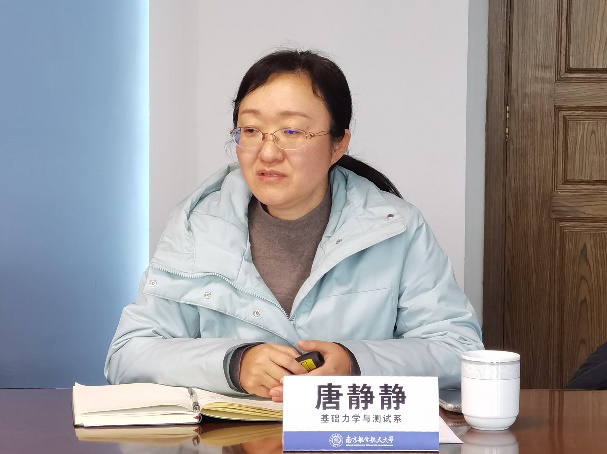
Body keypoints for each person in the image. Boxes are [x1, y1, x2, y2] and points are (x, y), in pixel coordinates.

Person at [105, 49, 483, 402]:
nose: (267, 152)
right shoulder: (196, 225)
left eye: (291, 132)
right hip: (234, 438)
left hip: (345, 436)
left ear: (338, 144)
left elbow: (458, 349)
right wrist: (234, 364)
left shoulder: (396, 227)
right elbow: (128, 354)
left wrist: (356, 365)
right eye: (251, 130)